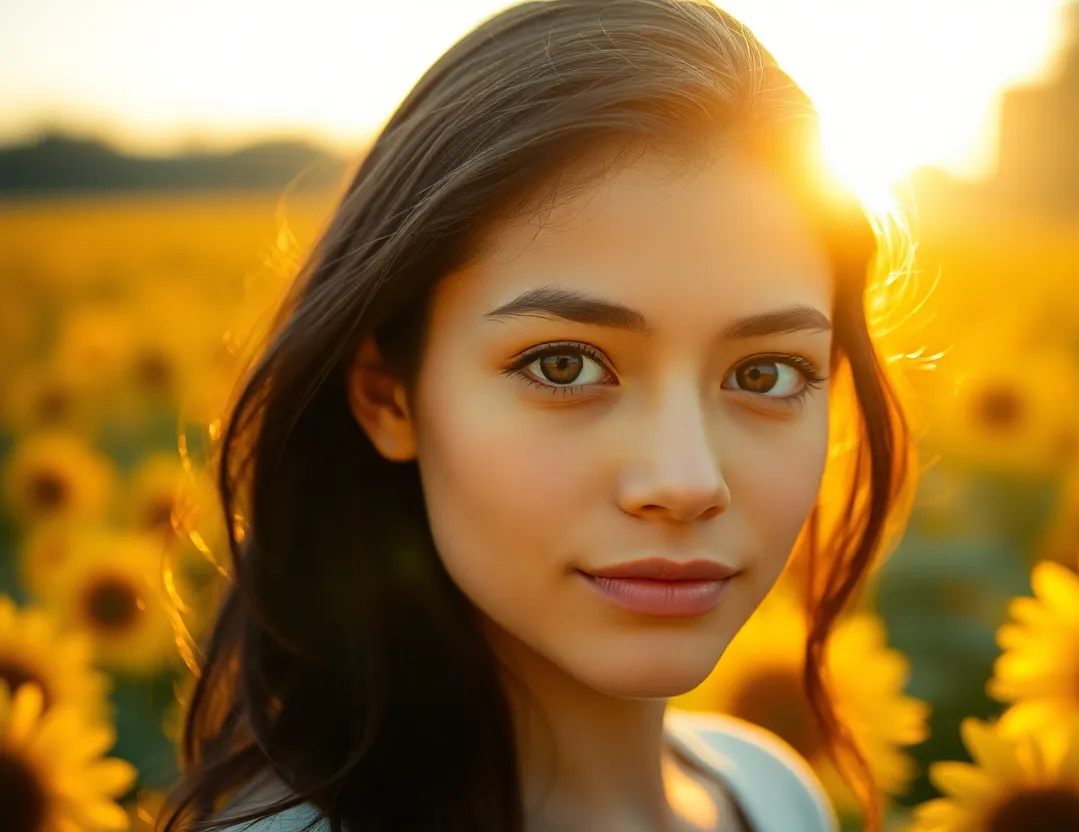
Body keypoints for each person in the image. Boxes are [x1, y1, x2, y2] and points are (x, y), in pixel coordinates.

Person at [159, 1, 915, 830]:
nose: (686, 481)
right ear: (388, 394)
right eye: (566, 366)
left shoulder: (775, 799)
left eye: (766, 373)